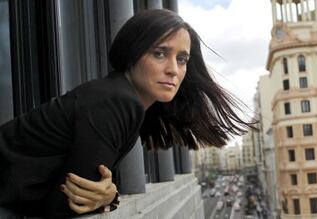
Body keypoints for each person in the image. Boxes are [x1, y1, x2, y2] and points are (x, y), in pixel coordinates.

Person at [0, 9, 255, 217]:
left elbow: (88, 193)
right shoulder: (117, 101)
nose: (173, 70)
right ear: (132, 53)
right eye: (160, 53)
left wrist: (110, 196)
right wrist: (106, 198)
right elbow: (70, 205)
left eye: (182, 59)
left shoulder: (122, 101)